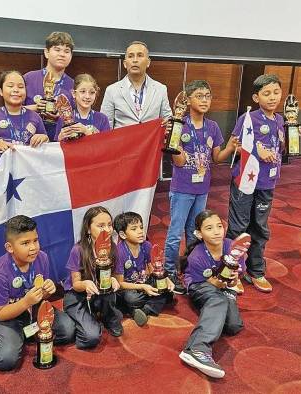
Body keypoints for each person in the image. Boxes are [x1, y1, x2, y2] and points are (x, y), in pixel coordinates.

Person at [163, 80, 239, 295]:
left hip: (202, 189)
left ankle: (189, 266)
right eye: (199, 96)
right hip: (182, 188)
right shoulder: (179, 124)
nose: (204, 100)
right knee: (176, 233)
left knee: (195, 233)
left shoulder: (213, 126)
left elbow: (217, 158)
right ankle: (169, 271)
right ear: (187, 100)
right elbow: (178, 162)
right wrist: (174, 145)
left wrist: (232, 148)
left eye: (208, 96)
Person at [0, 215, 75, 371]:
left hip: (32, 309)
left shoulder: (42, 258)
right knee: (5, 360)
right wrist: (25, 302)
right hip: (5, 316)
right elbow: (0, 313)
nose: (33, 247)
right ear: (10, 247)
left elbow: (42, 297)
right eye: (25, 243)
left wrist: (47, 291)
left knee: (68, 330)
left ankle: (23, 334)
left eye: (35, 240)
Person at [227, 74, 284, 293]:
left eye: (276, 92)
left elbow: (280, 149)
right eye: (266, 93)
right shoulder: (249, 118)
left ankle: (256, 271)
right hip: (245, 182)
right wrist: (255, 150)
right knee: (239, 227)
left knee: (260, 228)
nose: (272, 98)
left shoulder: (280, 120)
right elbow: (236, 147)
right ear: (256, 96)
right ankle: (232, 271)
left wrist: (292, 137)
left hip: (267, 183)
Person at [178, 210, 245, 379]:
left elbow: (236, 278)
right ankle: (197, 348)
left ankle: (211, 313)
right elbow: (211, 284)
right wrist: (225, 281)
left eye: (219, 226)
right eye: (209, 228)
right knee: (218, 298)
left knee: (233, 326)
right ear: (199, 234)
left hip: (222, 287)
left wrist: (232, 280)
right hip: (200, 286)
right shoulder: (196, 256)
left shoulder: (233, 247)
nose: (216, 231)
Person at [63, 206, 123, 348]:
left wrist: (114, 280)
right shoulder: (78, 250)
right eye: (101, 226)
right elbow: (76, 283)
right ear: (88, 229)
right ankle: (82, 321)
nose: (107, 230)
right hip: (77, 296)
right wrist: (85, 284)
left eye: (109, 225)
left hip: (101, 295)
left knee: (111, 293)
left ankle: (108, 317)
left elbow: (119, 279)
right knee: (91, 338)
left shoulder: (113, 248)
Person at [0, 70, 49, 173]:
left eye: (20, 87)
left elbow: (46, 143)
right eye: (10, 86)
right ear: (1, 91)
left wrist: (43, 138)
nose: (16, 90)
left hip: (28, 172)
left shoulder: (35, 117)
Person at [113, 211, 174, 326]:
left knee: (166, 290)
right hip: (128, 288)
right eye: (134, 229)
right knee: (132, 299)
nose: (140, 231)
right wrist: (143, 287)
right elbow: (120, 283)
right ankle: (138, 307)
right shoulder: (119, 252)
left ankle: (143, 311)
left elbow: (153, 269)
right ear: (123, 234)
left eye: (141, 227)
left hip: (143, 281)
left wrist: (166, 280)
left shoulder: (146, 245)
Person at [100, 41, 172, 129]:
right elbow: (105, 126)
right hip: (123, 142)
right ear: (125, 63)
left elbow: (168, 121)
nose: (135, 60)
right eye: (130, 56)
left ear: (148, 62)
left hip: (150, 141)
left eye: (140, 55)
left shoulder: (160, 89)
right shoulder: (112, 90)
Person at [24, 31, 75, 141]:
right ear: (46, 52)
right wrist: (36, 108)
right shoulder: (28, 78)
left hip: (60, 144)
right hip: (30, 143)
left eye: (67, 51)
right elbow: (10, 110)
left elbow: (77, 117)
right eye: (57, 50)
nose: (62, 54)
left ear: (71, 56)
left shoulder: (74, 86)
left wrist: (61, 116)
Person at [56, 73, 111, 141]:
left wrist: (87, 132)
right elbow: (56, 147)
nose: (87, 96)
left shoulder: (102, 118)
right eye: (82, 91)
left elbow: (107, 145)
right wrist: (60, 138)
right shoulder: (63, 117)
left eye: (92, 92)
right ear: (73, 93)